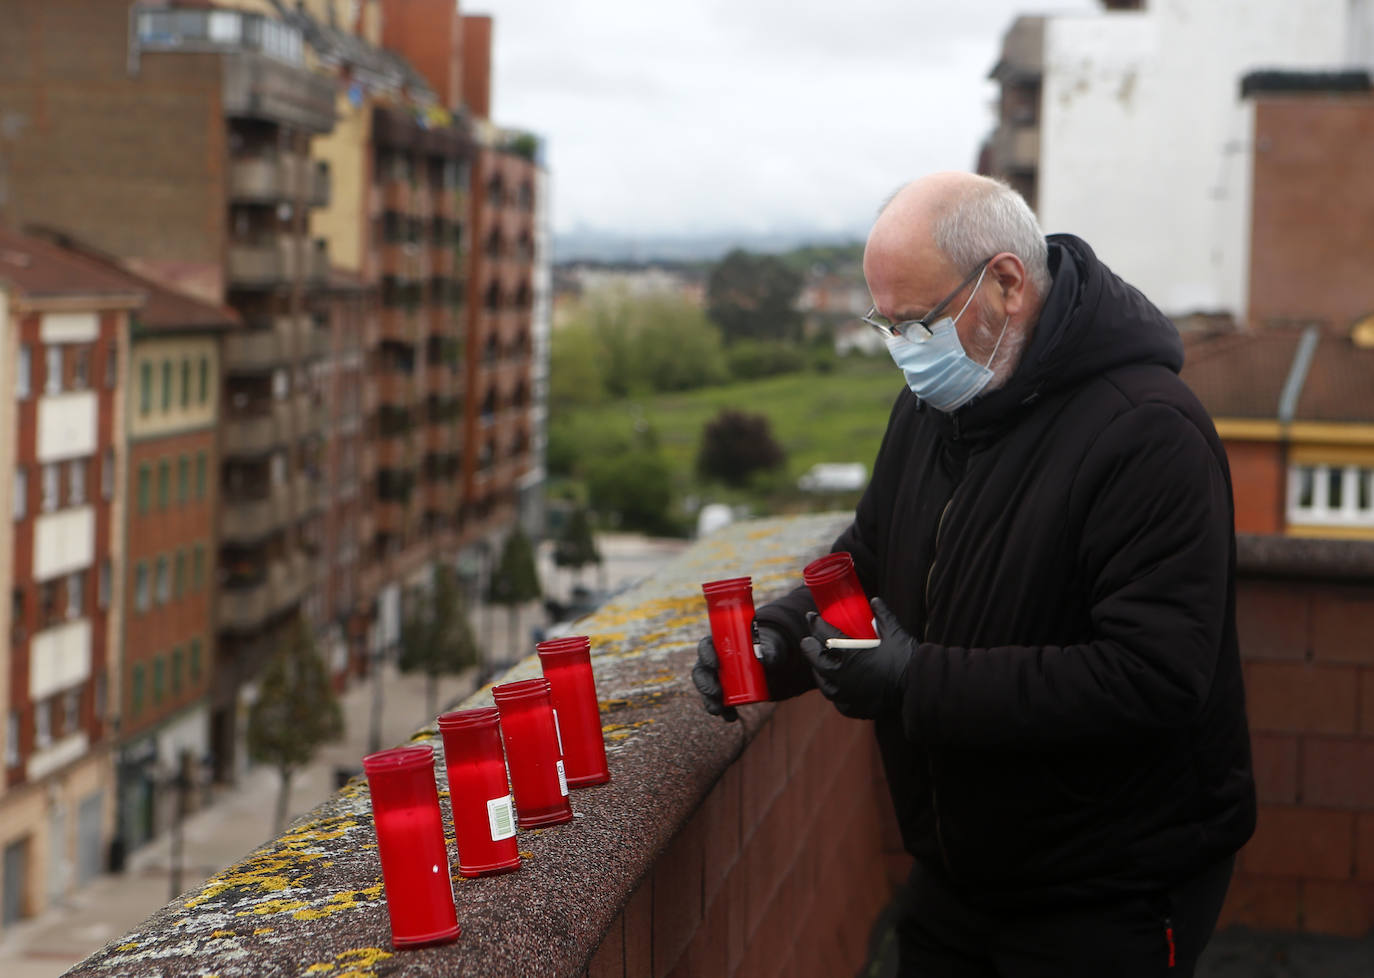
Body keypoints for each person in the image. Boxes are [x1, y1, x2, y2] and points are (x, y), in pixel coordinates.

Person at [692, 172, 1256, 977]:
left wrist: (914, 679)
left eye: (917, 322)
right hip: (961, 870)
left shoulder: (1148, 432)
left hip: (1109, 887)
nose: (903, 350)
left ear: (1007, 283)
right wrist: (779, 641)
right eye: (886, 325)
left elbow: (1153, 677)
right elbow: (871, 553)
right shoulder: (935, 408)